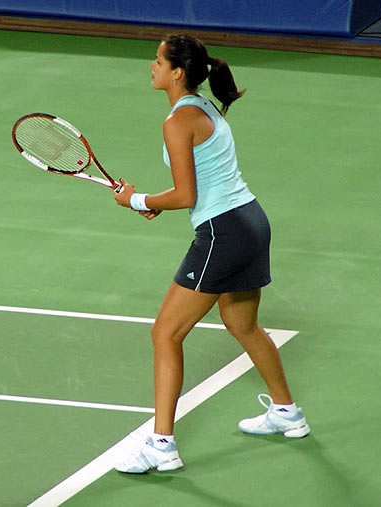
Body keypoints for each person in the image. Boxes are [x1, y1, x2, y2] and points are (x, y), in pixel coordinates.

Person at [113, 34, 310, 474]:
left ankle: (161, 444)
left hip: (223, 233)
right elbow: (199, 184)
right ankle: (287, 413)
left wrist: (139, 201)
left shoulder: (177, 121)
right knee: (242, 323)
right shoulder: (203, 106)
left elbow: (186, 195)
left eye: (158, 60)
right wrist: (149, 201)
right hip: (251, 222)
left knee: (165, 334)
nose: (152, 65)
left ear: (176, 72)